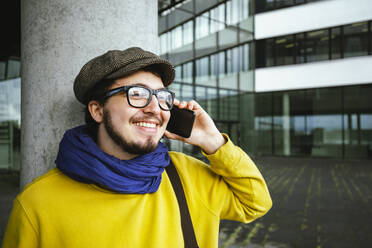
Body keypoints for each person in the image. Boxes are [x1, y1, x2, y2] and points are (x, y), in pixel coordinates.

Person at [2, 47, 272, 248]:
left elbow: (255, 203)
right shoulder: (37, 204)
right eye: (138, 94)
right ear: (97, 110)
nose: (155, 108)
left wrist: (213, 143)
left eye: (162, 97)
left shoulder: (186, 176)